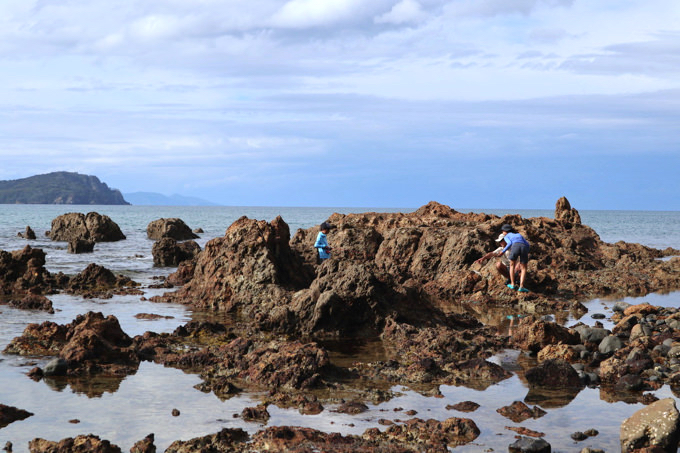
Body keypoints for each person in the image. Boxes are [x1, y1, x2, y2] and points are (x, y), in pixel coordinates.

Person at [498, 224, 530, 293]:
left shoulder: (507, 236)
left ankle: (512, 284)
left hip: (515, 246)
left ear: (505, 231)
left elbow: (509, 243)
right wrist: (526, 252)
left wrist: (503, 251)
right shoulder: (519, 234)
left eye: (502, 231)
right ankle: (521, 287)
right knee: (524, 268)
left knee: (512, 265)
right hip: (524, 247)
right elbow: (527, 244)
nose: (502, 232)